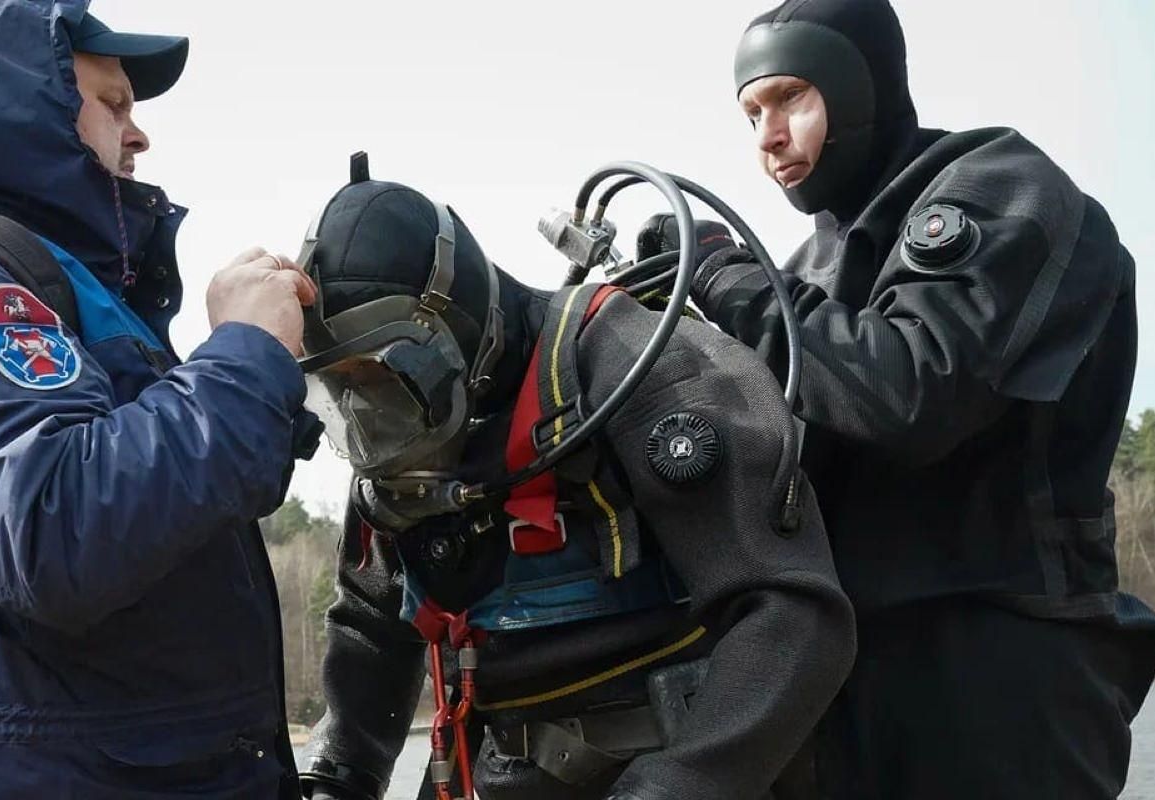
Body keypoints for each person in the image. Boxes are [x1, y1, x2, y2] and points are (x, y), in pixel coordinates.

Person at [0, 1, 315, 796]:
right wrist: (243, 354)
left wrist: (271, 378)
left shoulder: (46, 287)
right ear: (9, 100)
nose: (139, 134)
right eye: (112, 103)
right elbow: (49, 531)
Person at [675, 1, 1155, 797]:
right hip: (842, 681)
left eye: (791, 98)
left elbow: (910, 389)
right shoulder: (806, 266)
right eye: (751, 113)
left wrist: (730, 281)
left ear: (860, 86)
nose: (767, 137)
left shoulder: (1000, 186)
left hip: (1002, 672)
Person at [294, 166, 856, 800]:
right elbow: (372, 622)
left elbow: (792, 612)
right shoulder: (398, 438)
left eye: (378, 379)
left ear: (449, 331)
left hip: (693, 769)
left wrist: (679, 784)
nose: (367, 414)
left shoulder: (639, 367)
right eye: (342, 388)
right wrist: (340, 773)